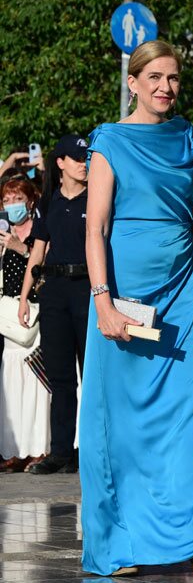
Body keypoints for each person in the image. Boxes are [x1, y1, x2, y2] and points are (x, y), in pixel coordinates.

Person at [80, 40, 193, 577]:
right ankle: (117, 543)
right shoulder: (108, 141)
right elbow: (95, 229)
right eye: (154, 77)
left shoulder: (186, 136)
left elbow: (189, 216)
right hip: (122, 293)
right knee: (120, 424)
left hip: (177, 293)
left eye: (172, 78)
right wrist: (103, 302)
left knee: (186, 418)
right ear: (133, 81)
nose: (165, 87)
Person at [23, 135, 89, 475]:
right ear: (60, 162)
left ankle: (90, 449)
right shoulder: (49, 201)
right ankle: (60, 451)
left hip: (89, 290)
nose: (84, 162)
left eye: (86, 157)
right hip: (54, 292)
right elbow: (37, 248)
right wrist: (24, 297)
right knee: (61, 379)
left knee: (92, 377)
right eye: (77, 157)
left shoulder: (97, 198)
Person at [0, 178, 49, 472]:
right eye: (7, 200)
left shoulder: (40, 232)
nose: (12, 205)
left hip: (35, 311)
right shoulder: (3, 233)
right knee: (10, 382)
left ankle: (39, 448)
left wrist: (21, 248)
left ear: (31, 201)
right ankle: (13, 449)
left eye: (17, 198)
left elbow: (46, 268)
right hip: (8, 317)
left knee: (35, 383)